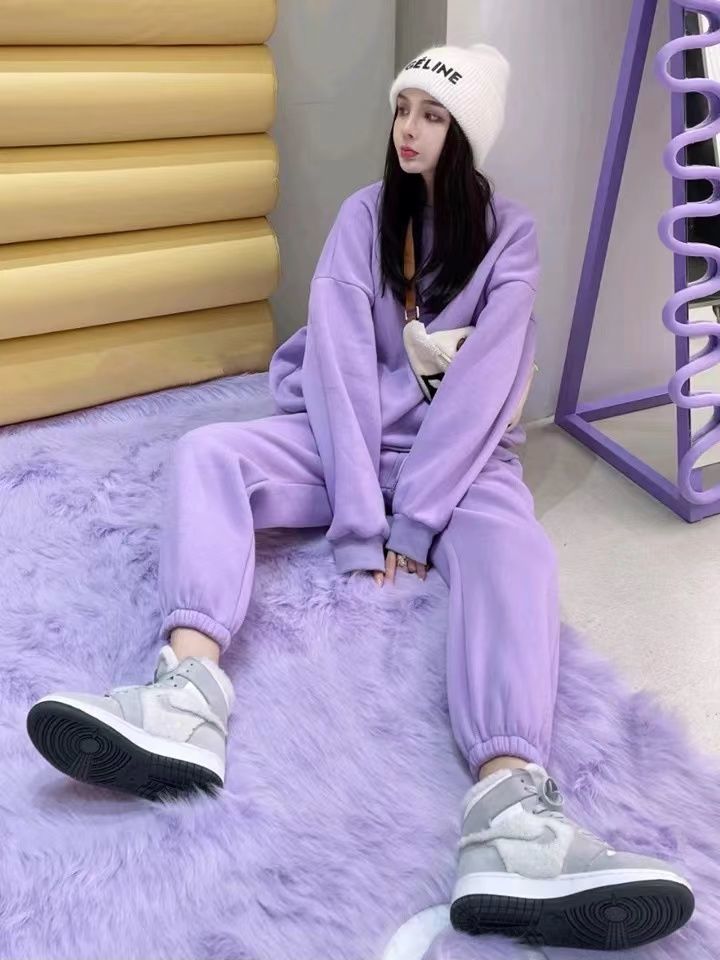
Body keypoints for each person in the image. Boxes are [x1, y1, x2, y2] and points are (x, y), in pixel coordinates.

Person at [25, 43, 694, 951]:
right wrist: (357, 521)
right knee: (208, 453)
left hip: (461, 461)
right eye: (403, 109)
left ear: (466, 133)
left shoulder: (511, 235)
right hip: (346, 441)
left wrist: (415, 523)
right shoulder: (364, 217)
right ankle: (185, 694)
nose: (409, 129)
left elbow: (486, 384)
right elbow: (338, 364)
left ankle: (510, 815)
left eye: (433, 114)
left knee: (518, 556)